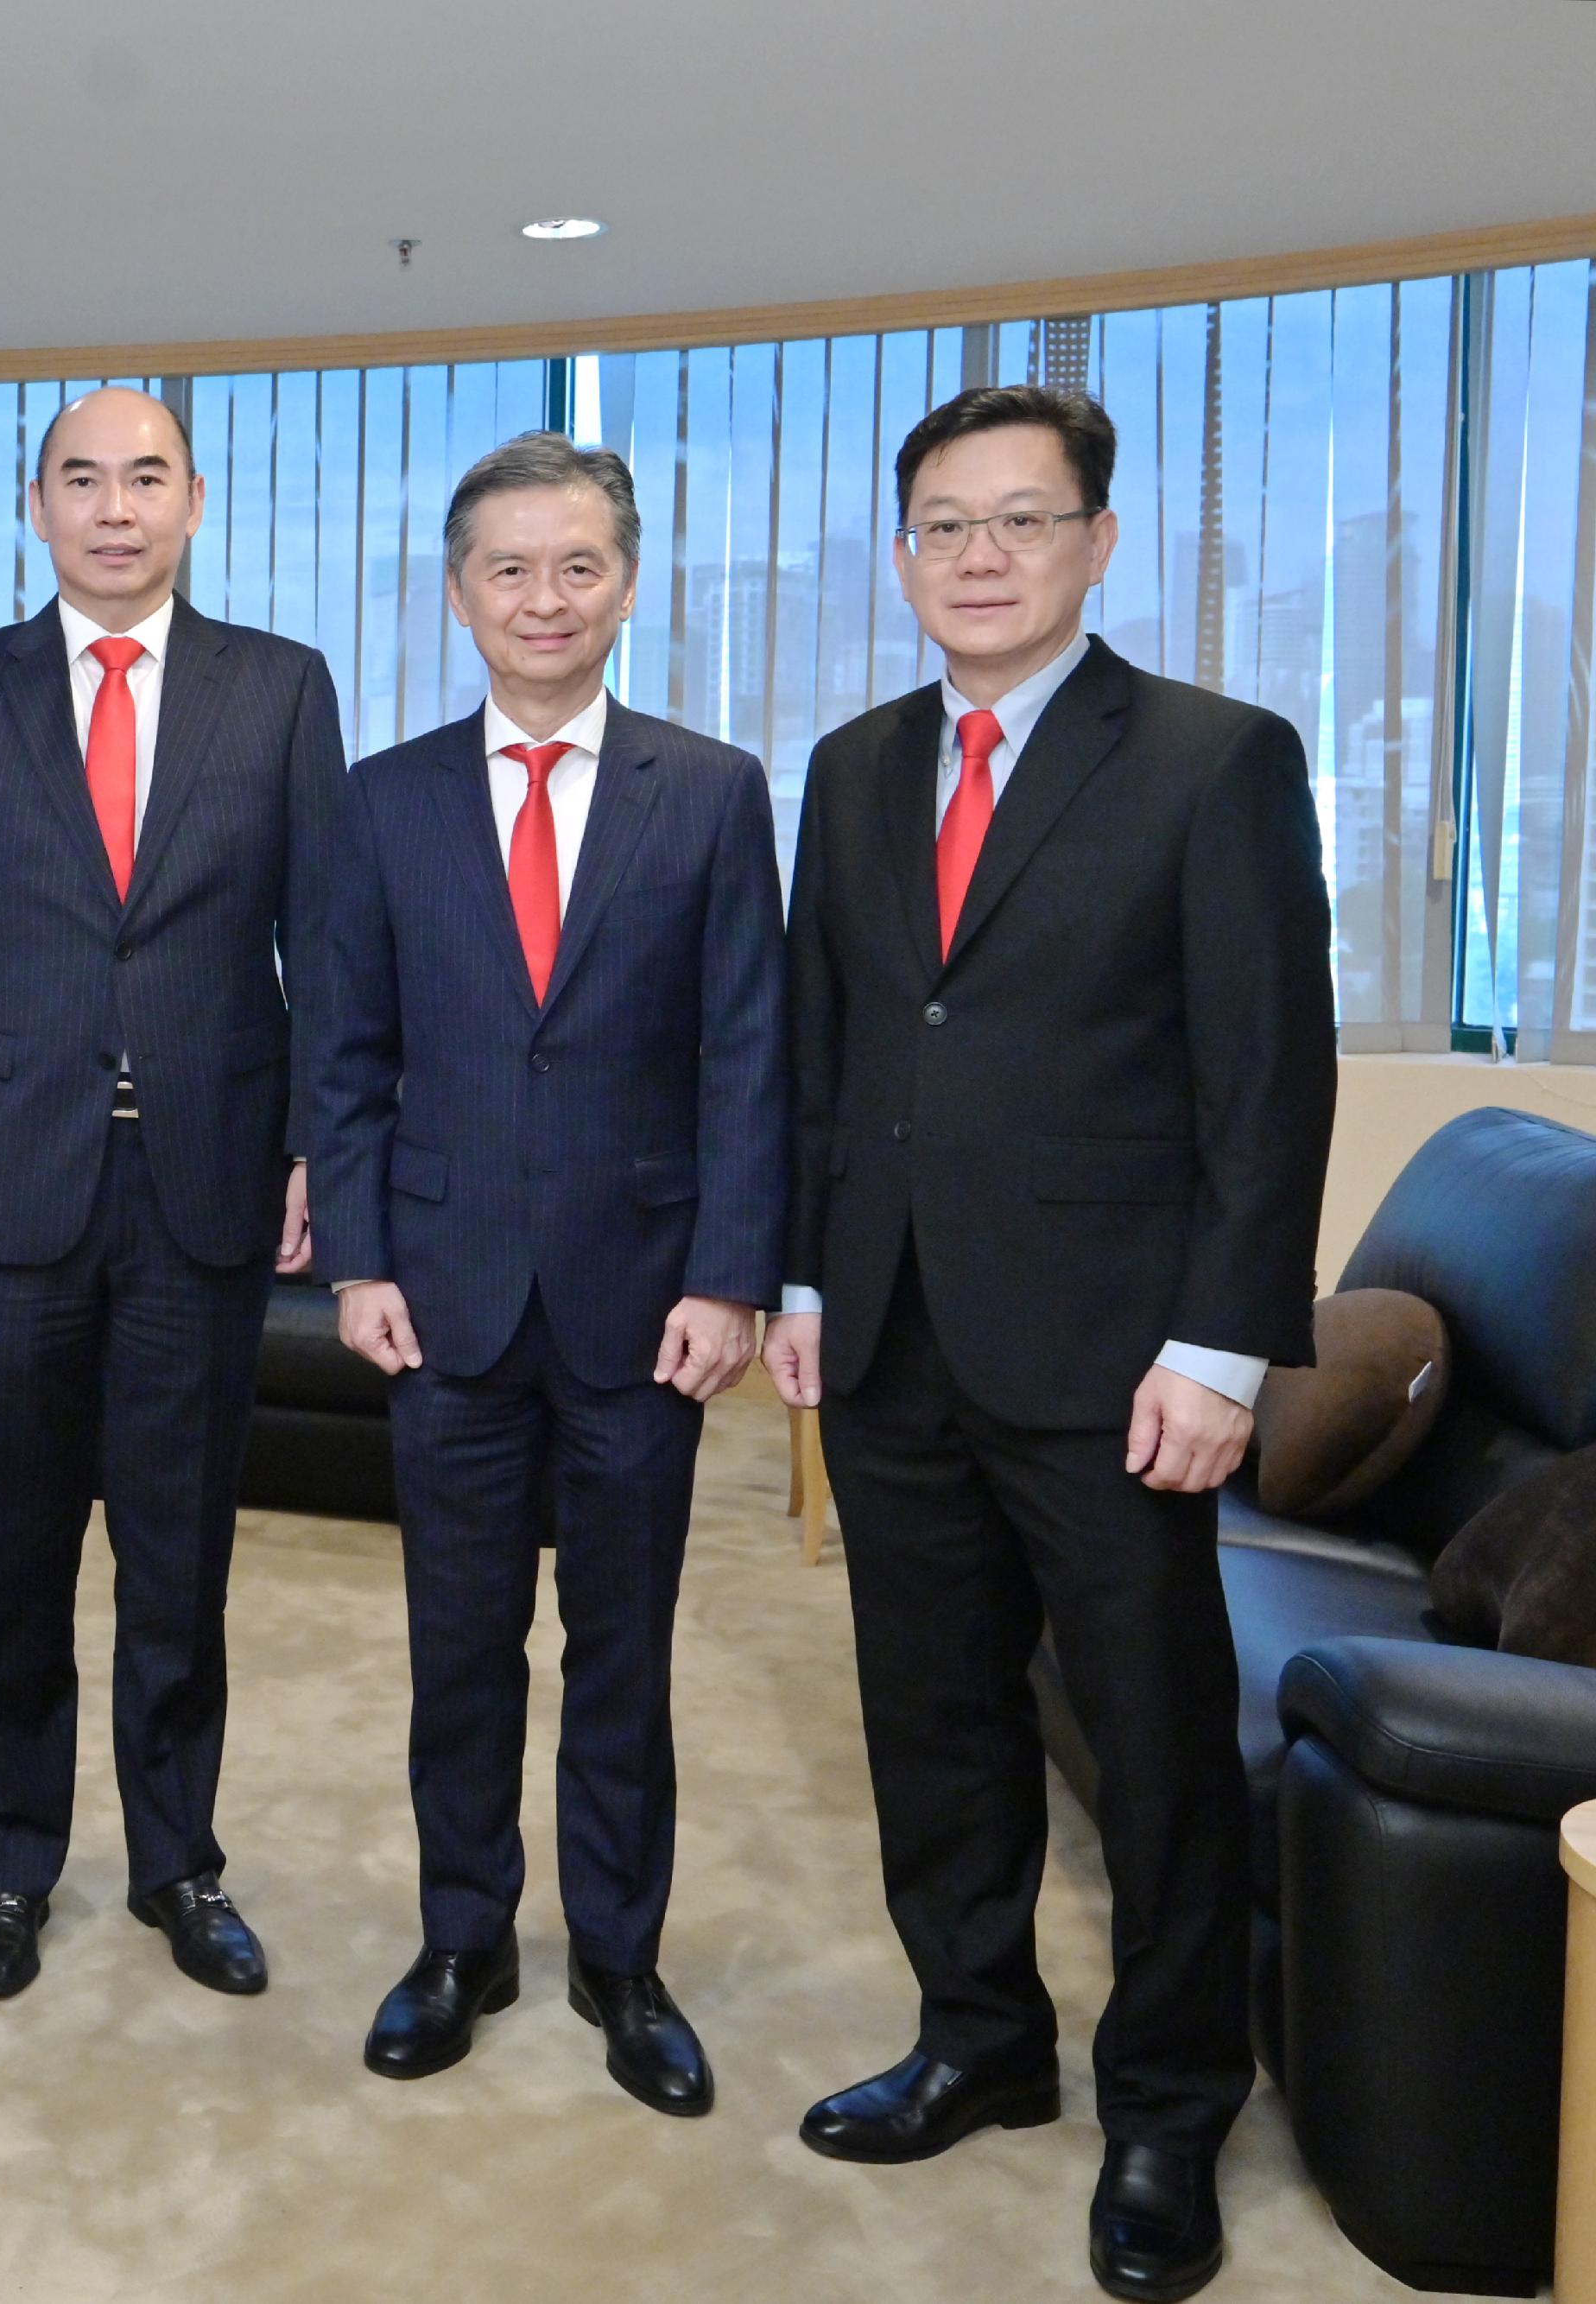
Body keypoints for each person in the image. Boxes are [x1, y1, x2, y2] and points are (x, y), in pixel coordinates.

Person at [763, 385, 1333, 2303]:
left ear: (1095, 540)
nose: (979, 556)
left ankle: (1167, 2100)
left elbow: (1266, 1083)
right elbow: (830, 1051)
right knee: (927, 1714)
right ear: (902, 551)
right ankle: (976, 2035)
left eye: (1019, 520)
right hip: (894, 1332)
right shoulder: (847, 768)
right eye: (942, 524)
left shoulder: (1208, 757)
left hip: (1117, 1357)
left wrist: (1221, 1352)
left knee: (1157, 1744)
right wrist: (807, 1280)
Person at [315, 433, 786, 2110]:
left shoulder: (712, 790)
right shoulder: (378, 799)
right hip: (437, 1295)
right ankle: (461, 1937)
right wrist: (355, 1257)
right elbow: (346, 1052)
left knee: (621, 1644)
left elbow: (746, 1055)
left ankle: (616, 1951)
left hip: (639, 1298)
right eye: (505, 567)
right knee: (456, 1641)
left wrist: (731, 1272)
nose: (541, 596)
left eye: (574, 564)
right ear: (455, 594)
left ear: (626, 585)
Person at [0, 385, 339, 2002]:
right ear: (34, 504)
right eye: (84, 479)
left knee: (181, 1546)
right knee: (14, 1544)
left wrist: (314, 1152)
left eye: (147, 479)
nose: (116, 507)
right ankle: (9, 1864)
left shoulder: (277, 689)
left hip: (207, 1177)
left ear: (195, 502)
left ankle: (178, 1861)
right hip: (9, 1174)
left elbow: (324, 951)